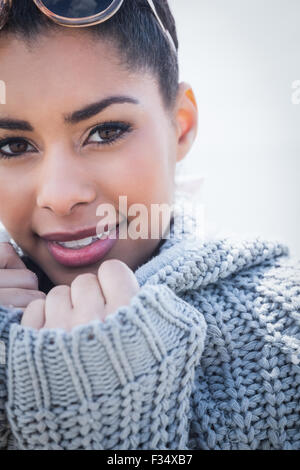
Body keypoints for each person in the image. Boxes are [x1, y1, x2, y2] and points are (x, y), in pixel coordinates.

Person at [0, 0, 299, 451]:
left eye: (105, 131)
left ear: (181, 126)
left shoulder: (284, 335)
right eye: (14, 145)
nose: (59, 195)